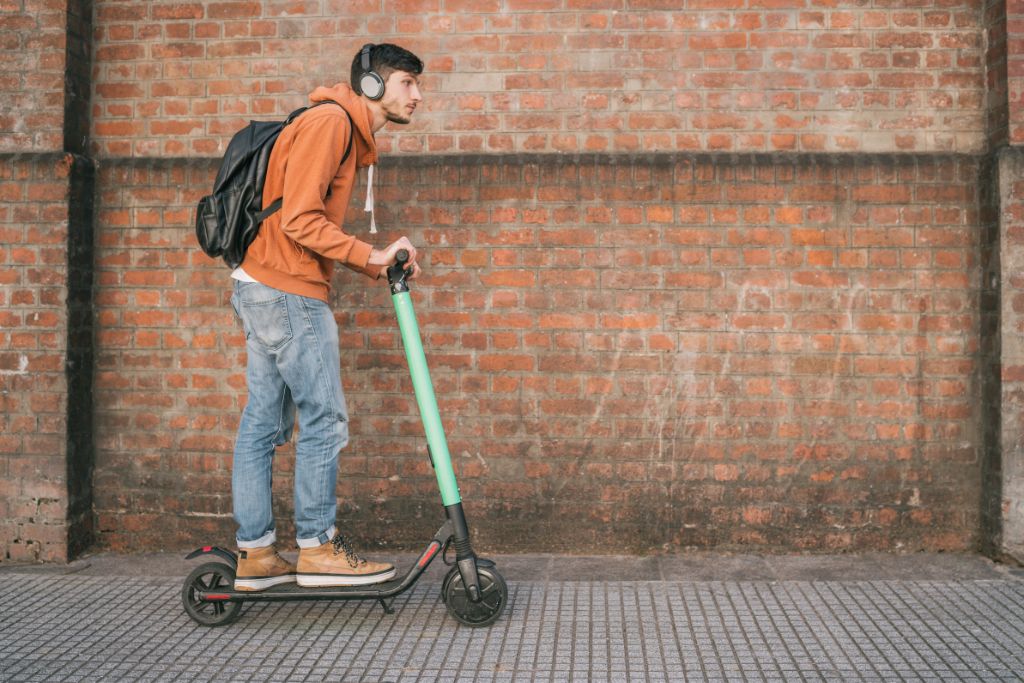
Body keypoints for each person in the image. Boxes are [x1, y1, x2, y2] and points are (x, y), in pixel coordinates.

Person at [228, 43, 424, 590]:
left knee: (263, 424)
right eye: (408, 82)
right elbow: (299, 219)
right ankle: (316, 547)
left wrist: (369, 260)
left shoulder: (337, 126)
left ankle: (257, 554)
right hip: (288, 290)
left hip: (263, 284)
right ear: (372, 86)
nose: (418, 95)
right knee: (325, 419)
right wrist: (372, 256)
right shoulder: (331, 124)